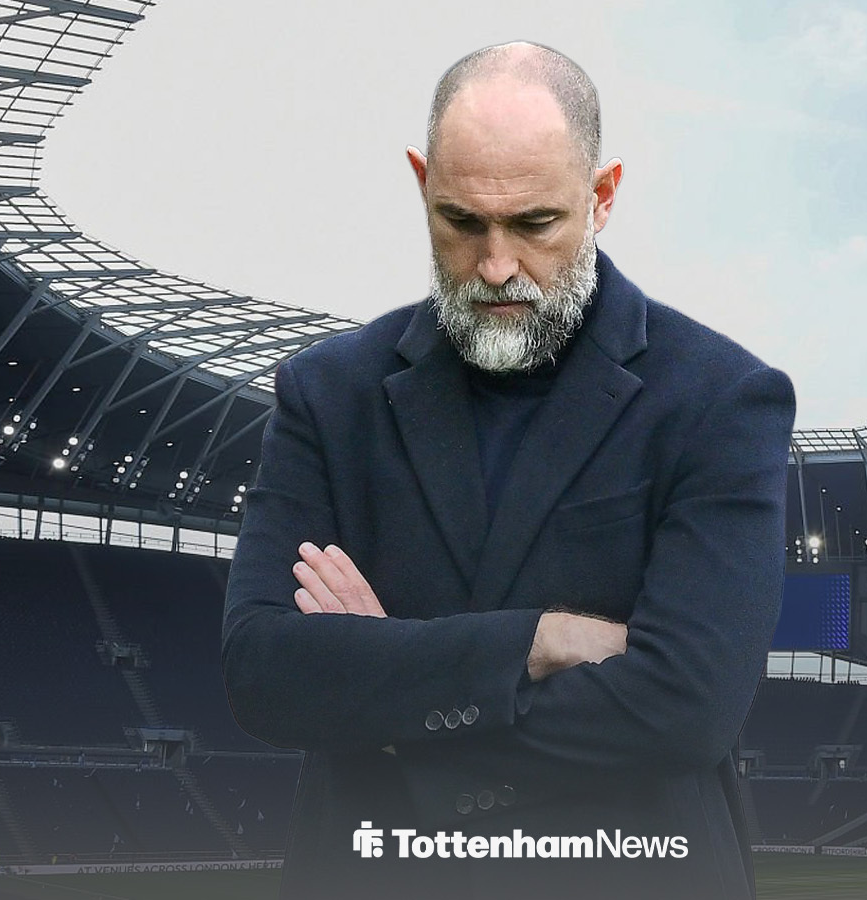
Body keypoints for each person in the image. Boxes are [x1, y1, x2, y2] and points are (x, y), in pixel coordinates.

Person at [222, 40, 795, 900]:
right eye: (461, 222)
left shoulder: (722, 398)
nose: (495, 267)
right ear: (422, 184)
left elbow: (686, 709)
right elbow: (264, 672)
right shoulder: (329, 392)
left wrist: (391, 700)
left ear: (602, 197)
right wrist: (540, 640)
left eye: (535, 225)